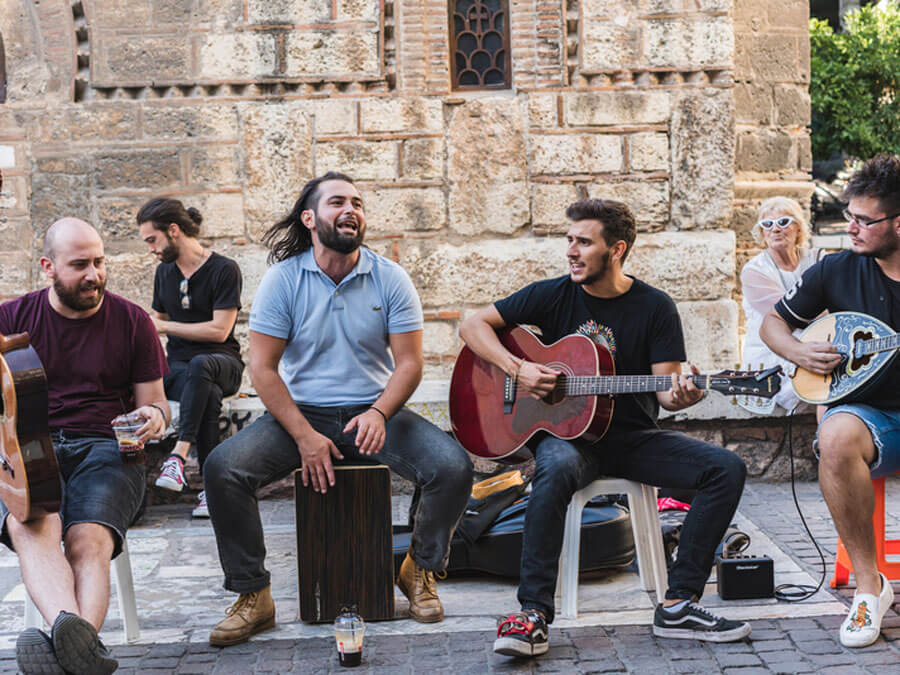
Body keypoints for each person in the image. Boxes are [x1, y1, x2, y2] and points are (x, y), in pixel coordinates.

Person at [458, 199, 750, 658]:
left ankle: (678, 603)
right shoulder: (553, 295)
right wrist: (518, 369)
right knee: (554, 468)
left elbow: (667, 392)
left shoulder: (655, 307)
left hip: (634, 440)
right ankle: (532, 614)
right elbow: (472, 325)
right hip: (569, 440)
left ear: (616, 250)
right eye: (569, 240)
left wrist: (686, 394)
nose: (571, 251)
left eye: (583, 242)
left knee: (726, 468)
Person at [202, 172, 474, 646]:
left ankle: (419, 569)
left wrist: (380, 413)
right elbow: (262, 369)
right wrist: (304, 435)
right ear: (310, 218)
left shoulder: (389, 278)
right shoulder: (284, 279)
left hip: (373, 412)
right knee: (223, 468)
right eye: (337, 202)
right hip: (300, 413)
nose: (351, 209)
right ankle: (253, 595)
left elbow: (409, 364)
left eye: (357, 203)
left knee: (452, 466)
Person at [0, 218, 169, 674]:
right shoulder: (11, 321)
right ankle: (80, 651)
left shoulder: (132, 321)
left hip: (107, 446)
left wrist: (154, 417)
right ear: (48, 267)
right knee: (32, 525)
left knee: (87, 539)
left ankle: (65, 645)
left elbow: (156, 403)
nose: (94, 274)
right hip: (28, 449)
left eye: (99, 262)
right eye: (79, 265)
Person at [760, 153, 900, 648]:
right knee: (835, 435)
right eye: (849, 216)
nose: (851, 227)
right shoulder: (836, 269)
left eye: (864, 219)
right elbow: (773, 323)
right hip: (872, 417)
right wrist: (799, 351)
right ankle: (869, 588)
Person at [136, 198, 244, 518]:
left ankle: (179, 455)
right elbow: (156, 326)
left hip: (223, 363)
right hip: (181, 370)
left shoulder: (224, 269)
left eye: (152, 240)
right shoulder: (164, 272)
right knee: (205, 392)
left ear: (174, 230)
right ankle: (212, 492)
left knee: (203, 369)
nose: (151, 249)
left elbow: (220, 331)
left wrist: (165, 326)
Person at [739, 197, 823, 415]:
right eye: (767, 224)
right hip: (774, 355)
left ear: (798, 228)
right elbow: (790, 315)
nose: (775, 229)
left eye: (783, 222)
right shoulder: (754, 272)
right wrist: (826, 308)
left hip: (816, 341)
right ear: (762, 233)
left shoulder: (817, 259)